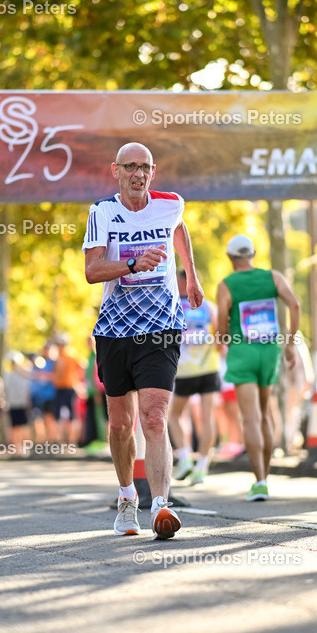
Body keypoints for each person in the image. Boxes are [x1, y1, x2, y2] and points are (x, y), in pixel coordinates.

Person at [82, 141, 202, 539]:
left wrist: (192, 276)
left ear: (153, 171)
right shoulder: (102, 212)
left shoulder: (170, 203)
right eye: (129, 167)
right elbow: (93, 270)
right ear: (114, 170)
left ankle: (161, 506)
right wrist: (133, 263)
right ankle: (126, 497)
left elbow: (179, 227)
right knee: (120, 425)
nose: (137, 174)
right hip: (115, 329)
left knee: (154, 416)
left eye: (144, 167)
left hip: (161, 325)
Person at [216, 234, 301, 501]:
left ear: (231, 258)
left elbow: (221, 326)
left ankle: (260, 481)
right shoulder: (273, 277)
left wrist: (227, 340)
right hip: (270, 351)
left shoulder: (226, 284)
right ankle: (266, 476)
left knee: (250, 418)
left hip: (243, 351)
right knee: (265, 414)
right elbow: (295, 304)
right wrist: (289, 343)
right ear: (252, 254)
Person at [168, 269, 221, 486]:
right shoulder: (209, 307)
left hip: (184, 371)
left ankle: (185, 457)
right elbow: (221, 337)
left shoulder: (172, 305)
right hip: (209, 368)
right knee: (207, 418)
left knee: (174, 416)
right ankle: (202, 467)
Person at [51, 333, 85, 446]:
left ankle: (71, 441)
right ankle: (60, 440)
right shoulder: (58, 356)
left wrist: (76, 381)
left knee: (71, 415)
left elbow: (82, 367)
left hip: (69, 387)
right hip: (60, 388)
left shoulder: (71, 354)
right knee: (58, 415)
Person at [3, 351, 33, 454]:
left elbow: (27, 391)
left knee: (23, 426)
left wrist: (28, 402)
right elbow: (5, 390)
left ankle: (24, 446)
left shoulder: (24, 375)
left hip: (22, 403)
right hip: (12, 403)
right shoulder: (8, 376)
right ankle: (16, 447)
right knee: (14, 426)